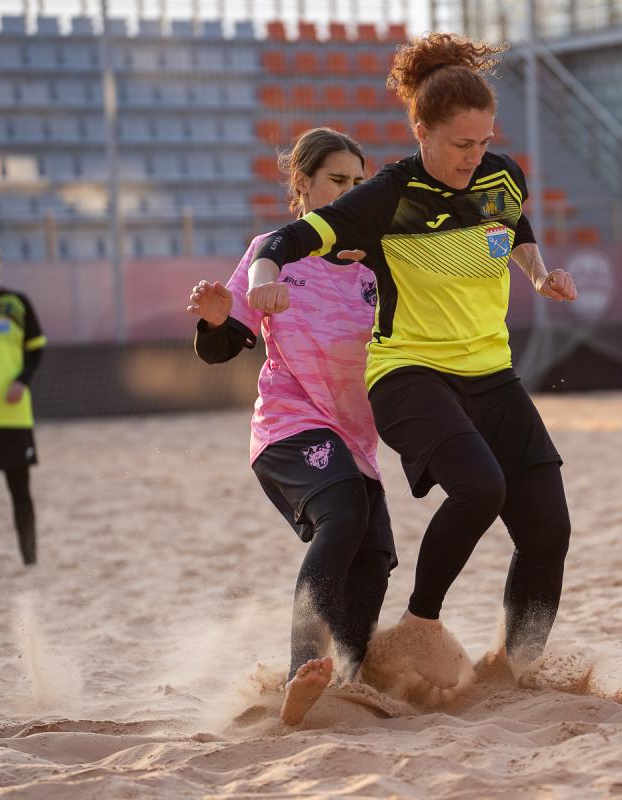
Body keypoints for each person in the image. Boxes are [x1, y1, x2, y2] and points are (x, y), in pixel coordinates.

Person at [243, 33, 578, 688]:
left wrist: (539, 275)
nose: (474, 157)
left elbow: (514, 227)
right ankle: (420, 622)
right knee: (481, 487)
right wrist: (262, 276)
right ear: (421, 131)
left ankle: (517, 669)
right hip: (409, 374)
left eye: (483, 142)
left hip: (491, 373)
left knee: (548, 532)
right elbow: (288, 239)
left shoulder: (502, 175)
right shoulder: (389, 195)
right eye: (461, 144)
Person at [188, 127, 397, 726]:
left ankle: (348, 680)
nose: (350, 193)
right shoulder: (273, 252)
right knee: (344, 517)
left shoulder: (375, 262)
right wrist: (215, 320)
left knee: (376, 555)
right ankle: (302, 669)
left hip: (355, 440)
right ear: (302, 184)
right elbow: (224, 346)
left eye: (359, 183)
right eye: (337, 180)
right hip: (289, 426)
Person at [0, 237, 45, 566]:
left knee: (19, 489)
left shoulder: (17, 303)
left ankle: (30, 560)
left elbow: (36, 350)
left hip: (11, 411)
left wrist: (21, 382)